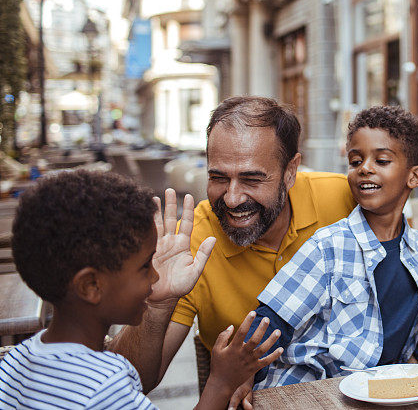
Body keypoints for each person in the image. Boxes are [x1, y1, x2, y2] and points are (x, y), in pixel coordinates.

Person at [109, 96, 356, 408]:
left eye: (252, 179)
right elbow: (129, 382)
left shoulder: (343, 198)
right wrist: (157, 304)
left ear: (290, 171)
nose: (232, 198)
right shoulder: (193, 240)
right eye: (218, 178)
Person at [0, 170, 283, 409]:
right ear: (91, 286)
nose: (156, 276)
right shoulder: (106, 390)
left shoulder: (14, 361)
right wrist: (221, 382)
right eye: (145, 266)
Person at [248, 106, 418, 387]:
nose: (365, 169)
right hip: (310, 388)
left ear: (414, 177)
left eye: (381, 161)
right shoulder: (327, 246)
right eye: (355, 161)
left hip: (382, 391)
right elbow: (269, 323)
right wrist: (242, 377)